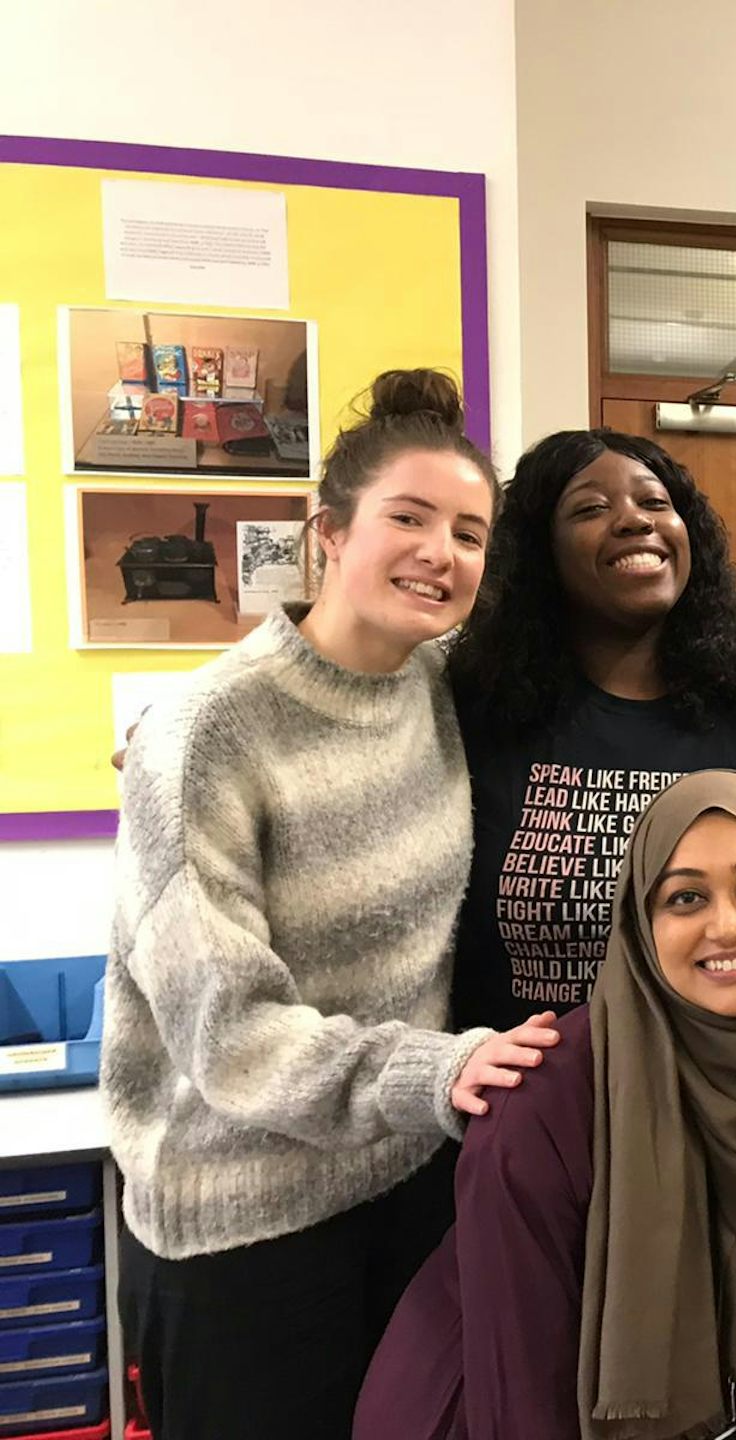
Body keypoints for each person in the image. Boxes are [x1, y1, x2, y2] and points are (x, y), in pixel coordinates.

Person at [106, 370, 561, 1440]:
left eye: (468, 533)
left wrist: (727, 659)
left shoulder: (433, 681)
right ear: (329, 533)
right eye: (407, 518)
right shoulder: (207, 732)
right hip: (243, 1227)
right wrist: (433, 1071)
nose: (439, 553)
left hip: (402, 1191)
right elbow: (228, 1031)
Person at [355, 771, 736, 1439]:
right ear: (640, 920)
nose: (728, 926)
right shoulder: (542, 1103)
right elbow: (520, 1387)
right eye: (685, 898)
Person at [445, 429, 736, 1030]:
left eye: (655, 503)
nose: (635, 520)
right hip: (529, 1081)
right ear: (541, 550)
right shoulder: (476, 720)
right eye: (591, 508)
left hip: (713, 1082)